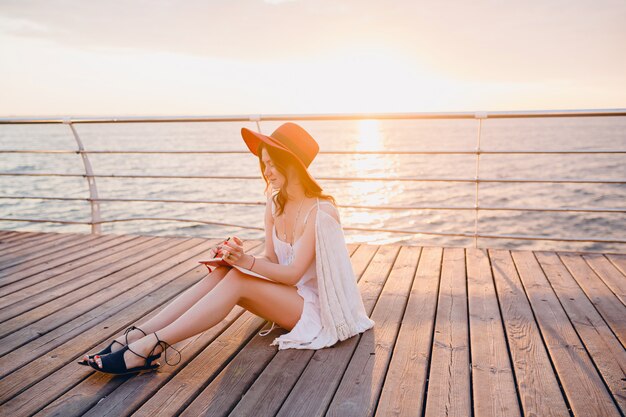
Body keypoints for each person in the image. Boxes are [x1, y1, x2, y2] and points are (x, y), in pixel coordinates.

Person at [79, 122, 374, 375]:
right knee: (224, 273)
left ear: (293, 163)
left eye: (273, 163)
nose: (267, 171)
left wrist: (245, 262)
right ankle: (137, 336)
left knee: (237, 277)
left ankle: (148, 346)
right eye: (264, 164)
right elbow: (271, 259)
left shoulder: (320, 211)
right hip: (290, 298)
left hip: (319, 310)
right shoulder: (275, 203)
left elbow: (294, 274)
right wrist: (234, 258)